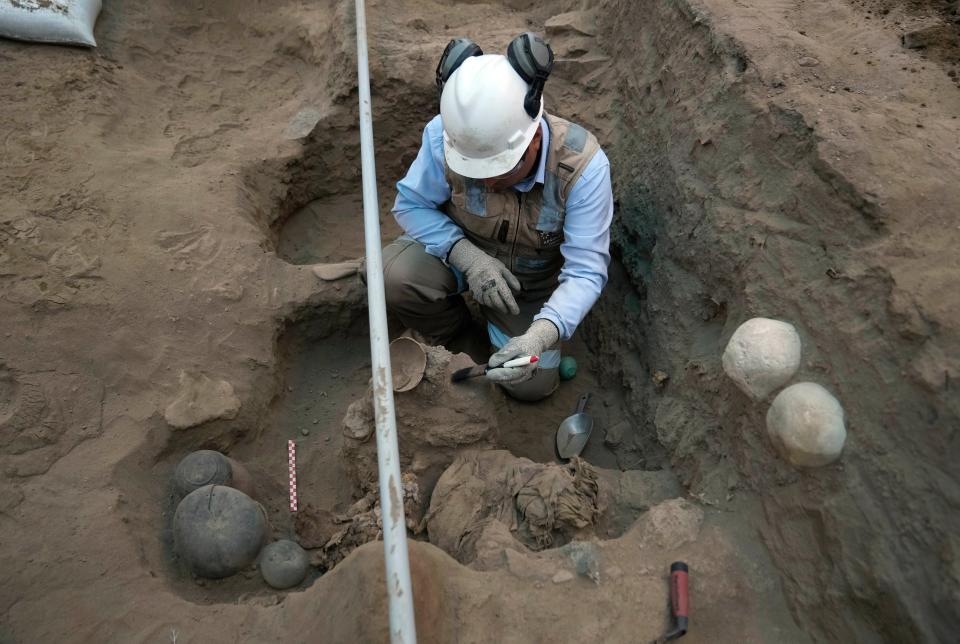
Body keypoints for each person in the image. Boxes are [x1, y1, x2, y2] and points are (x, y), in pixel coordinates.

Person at [383, 33, 613, 401]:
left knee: (531, 385)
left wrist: (541, 333)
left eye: (500, 169)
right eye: (472, 170)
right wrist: (465, 256)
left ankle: (506, 337)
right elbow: (410, 204)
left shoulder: (583, 168)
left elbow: (586, 271)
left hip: (528, 286)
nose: (487, 181)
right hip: (460, 252)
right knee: (395, 278)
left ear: (534, 137)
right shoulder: (447, 134)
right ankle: (464, 339)